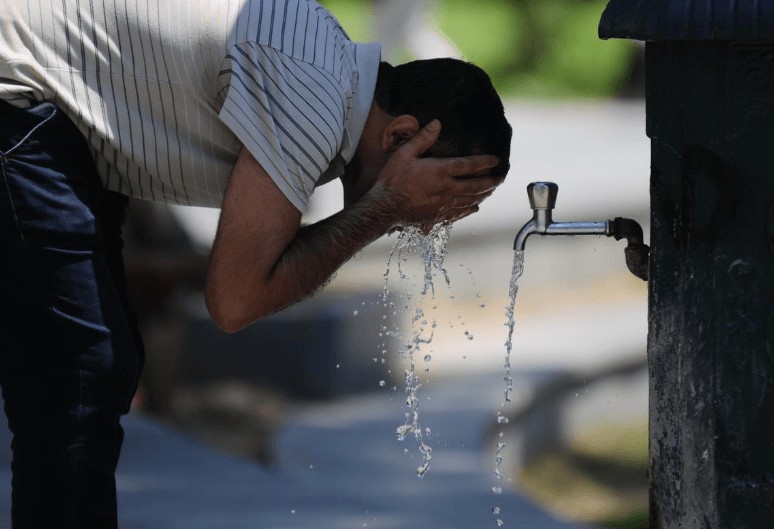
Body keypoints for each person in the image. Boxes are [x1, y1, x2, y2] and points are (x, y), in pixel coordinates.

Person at [0, 0, 512, 527]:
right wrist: (384, 206)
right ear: (401, 136)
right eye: (440, 198)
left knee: (100, 370)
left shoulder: (327, 80)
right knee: (81, 375)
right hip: (16, 92)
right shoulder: (314, 98)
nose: (429, 224)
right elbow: (236, 300)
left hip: (57, 122)